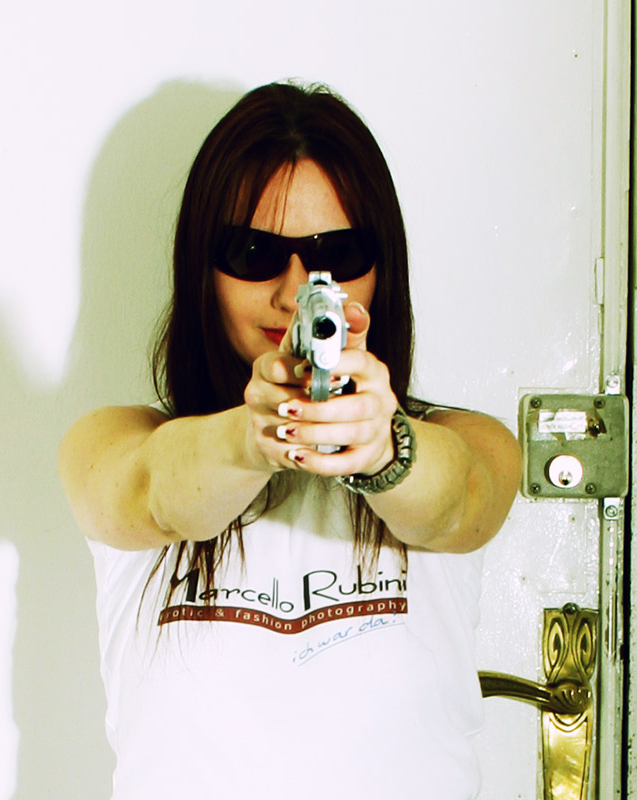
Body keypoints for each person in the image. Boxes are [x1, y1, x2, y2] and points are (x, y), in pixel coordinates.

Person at [59, 81, 521, 800]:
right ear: (202, 266)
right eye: (253, 252)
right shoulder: (114, 441)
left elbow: (462, 499)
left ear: (381, 265)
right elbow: (149, 492)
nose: (295, 289)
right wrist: (256, 436)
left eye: (337, 252)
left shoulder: (462, 442)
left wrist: (385, 451)